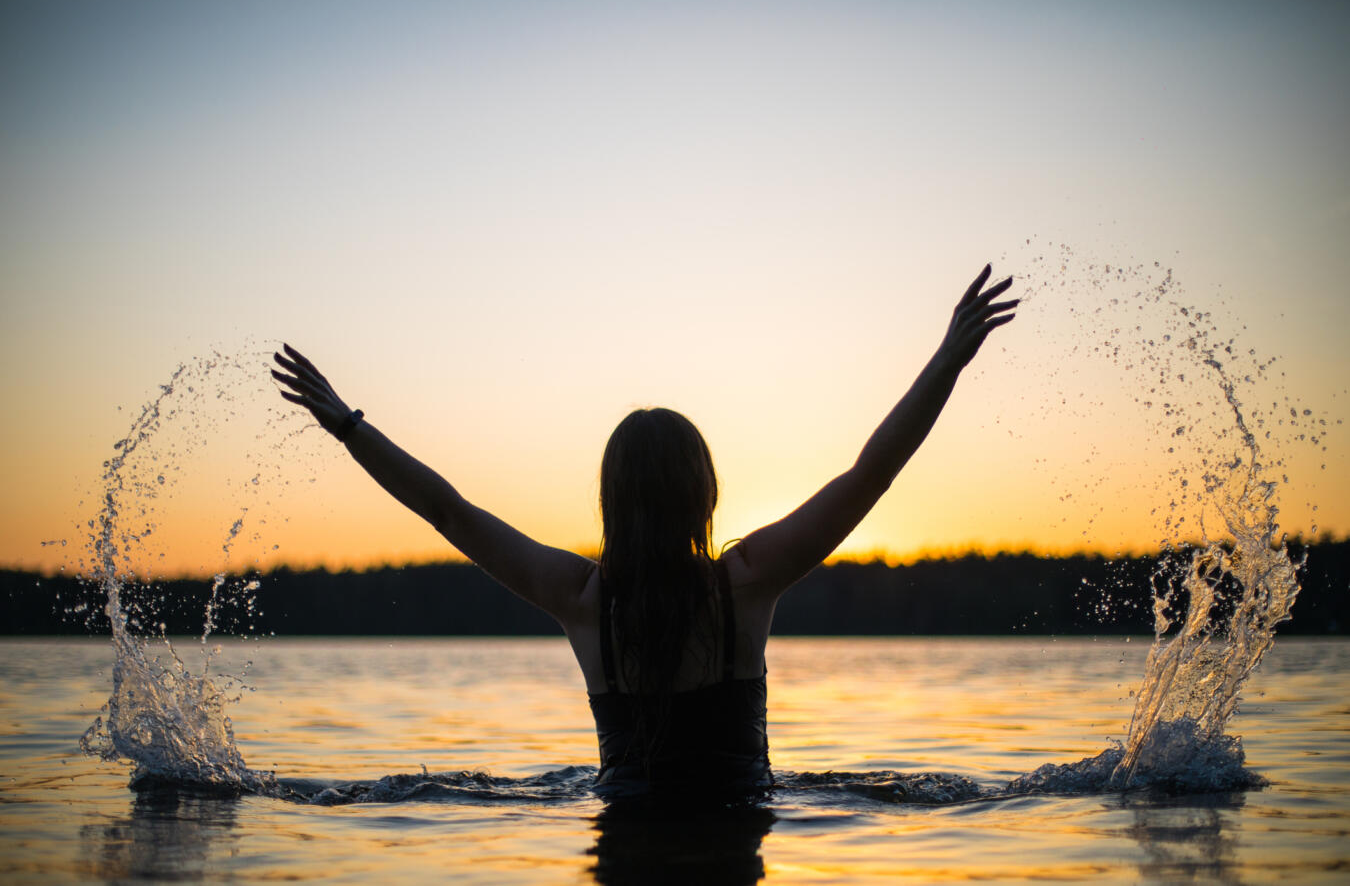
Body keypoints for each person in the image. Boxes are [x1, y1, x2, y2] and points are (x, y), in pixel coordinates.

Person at [272, 264, 1016, 802]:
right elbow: (869, 476)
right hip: (736, 835)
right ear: (704, 494)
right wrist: (946, 361)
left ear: (611, 499)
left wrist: (347, 426)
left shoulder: (583, 597)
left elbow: (449, 511)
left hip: (621, 833)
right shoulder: (747, 582)